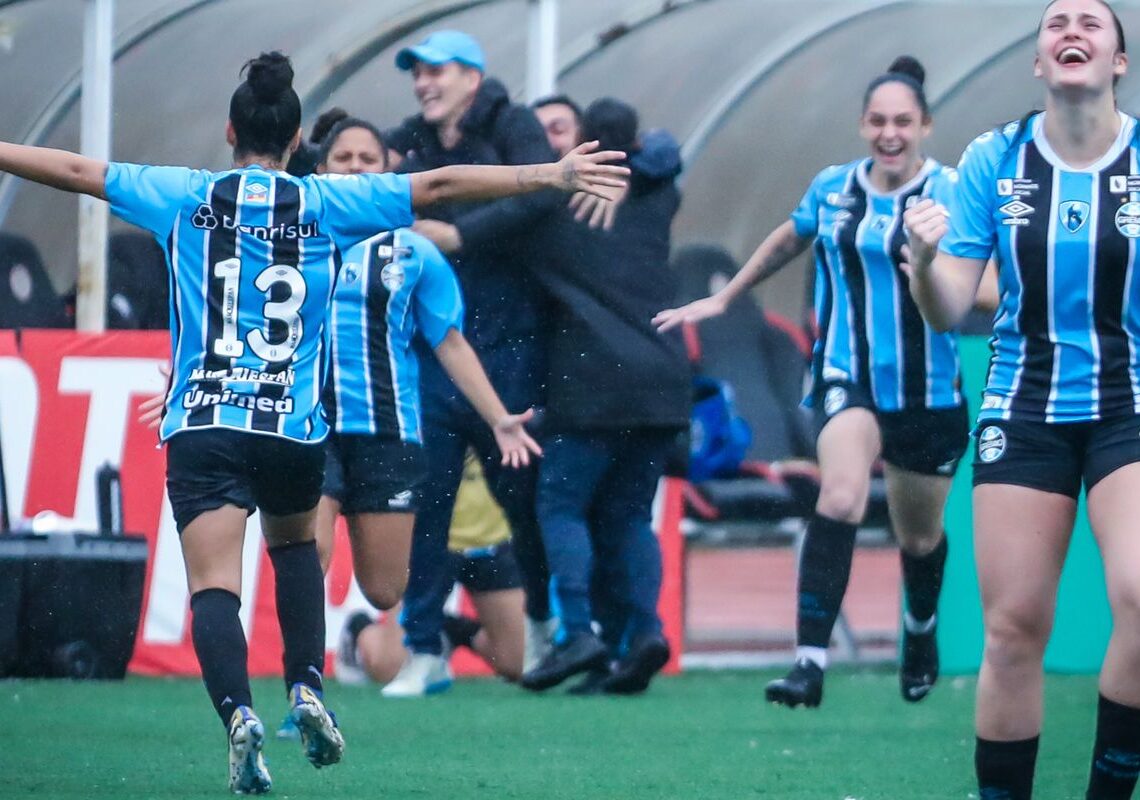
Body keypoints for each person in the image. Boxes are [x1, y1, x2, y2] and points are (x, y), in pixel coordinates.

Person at [0, 50, 626, 795]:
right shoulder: (329, 204)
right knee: (297, 553)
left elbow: (75, 171)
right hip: (293, 431)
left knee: (213, 590)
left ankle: (238, 715)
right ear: (300, 142)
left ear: (230, 130)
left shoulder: (182, 195)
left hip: (203, 423)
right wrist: (543, 175)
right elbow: (440, 184)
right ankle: (306, 687)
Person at [656, 56, 975, 709]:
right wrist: (726, 297)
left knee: (919, 536)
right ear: (863, 125)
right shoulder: (834, 188)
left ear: (925, 127)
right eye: (878, 121)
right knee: (840, 496)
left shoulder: (952, 194)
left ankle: (919, 627)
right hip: (844, 373)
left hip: (928, 388)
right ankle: (808, 661)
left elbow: (979, 283)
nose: (890, 133)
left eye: (903, 122)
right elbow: (789, 237)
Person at [904, 2, 1140, 797]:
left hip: (1130, 406)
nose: (1070, 30)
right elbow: (947, 306)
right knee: (1011, 634)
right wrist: (920, 260)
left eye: (1091, 23)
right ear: (1040, 62)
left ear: (1118, 61)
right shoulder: (992, 160)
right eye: (1054, 24)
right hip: (1024, 408)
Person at [382, 30, 562, 686]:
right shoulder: (414, 139)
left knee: (523, 499)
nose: (423, 84)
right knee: (426, 502)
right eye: (418, 74)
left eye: (436, 72)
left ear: (472, 77)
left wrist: (461, 233)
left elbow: (542, 193)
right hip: (435, 351)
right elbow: (366, 168)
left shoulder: (512, 126)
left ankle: (545, 632)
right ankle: (424, 650)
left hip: (509, 350)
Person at [520, 98, 689, 695]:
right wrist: (641, 168)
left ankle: (579, 631)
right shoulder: (661, 193)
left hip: (589, 382)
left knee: (561, 507)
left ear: (585, 142)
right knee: (627, 516)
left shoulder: (554, 207)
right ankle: (644, 633)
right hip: (663, 378)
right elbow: (670, 148)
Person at [337, 450, 526, 689]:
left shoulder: (503, 415)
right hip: (426, 542)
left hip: (489, 539)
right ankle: (358, 628)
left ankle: (452, 630)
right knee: (390, 667)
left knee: (518, 664)